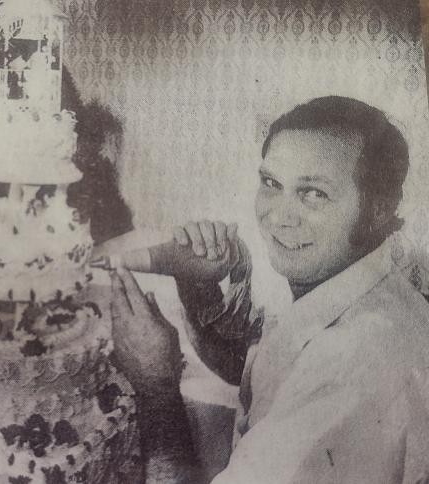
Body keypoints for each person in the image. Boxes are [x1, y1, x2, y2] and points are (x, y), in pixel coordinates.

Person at [109, 96, 429, 483]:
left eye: (314, 193)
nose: (278, 217)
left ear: (379, 208)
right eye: (271, 183)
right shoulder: (348, 283)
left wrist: (155, 386)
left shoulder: (350, 360)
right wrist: (198, 287)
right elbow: (264, 377)